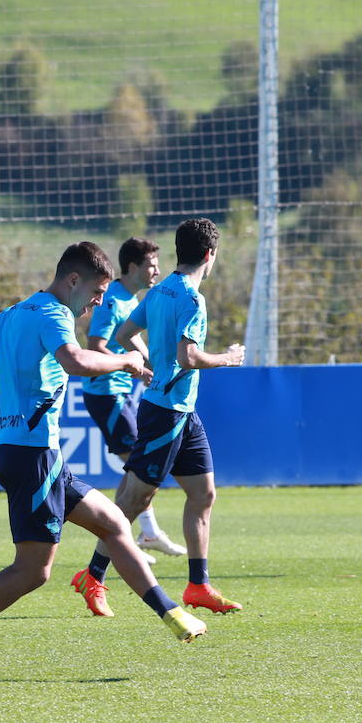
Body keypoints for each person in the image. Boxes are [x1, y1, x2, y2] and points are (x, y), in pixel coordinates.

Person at [0, 241, 207, 682]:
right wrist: (124, 358)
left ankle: (171, 614)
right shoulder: (53, 314)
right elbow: (73, 362)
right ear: (74, 280)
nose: (97, 302)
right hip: (32, 455)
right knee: (32, 571)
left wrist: (2, 389)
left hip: (31, 452)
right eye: (96, 292)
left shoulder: (16, 312)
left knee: (113, 522)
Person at [101, 217, 246, 615]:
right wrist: (228, 359)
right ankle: (94, 575)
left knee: (203, 494)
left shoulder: (161, 290)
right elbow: (189, 356)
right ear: (210, 255)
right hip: (166, 412)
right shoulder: (192, 299)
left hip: (181, 409)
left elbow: (124, 334)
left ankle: (198, 584)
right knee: (135, 498)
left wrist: (151, 363)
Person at [70, 237, 184, 617]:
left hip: (123, 391)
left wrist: (149, 362)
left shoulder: (132, 300)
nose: (156, 269)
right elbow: (97, 342)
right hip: (106, 393)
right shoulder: (114, 297)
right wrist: (133, 366)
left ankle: (135, 532)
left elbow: (130, 339)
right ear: (133, 267)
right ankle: (142, 532)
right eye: (152, 263)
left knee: (136, 467)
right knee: (137, 465)